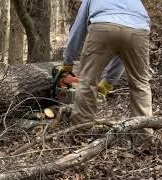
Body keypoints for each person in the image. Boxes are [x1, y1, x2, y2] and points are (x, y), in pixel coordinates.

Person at [60, 0, 153, 136]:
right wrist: (108, 82)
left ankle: (80, 132)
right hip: (139, 30)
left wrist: (67, 63)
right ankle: (144, 137)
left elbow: (77, 29)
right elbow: (122, 51)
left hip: (103, 26)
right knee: (140, 84)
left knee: (87, 81)